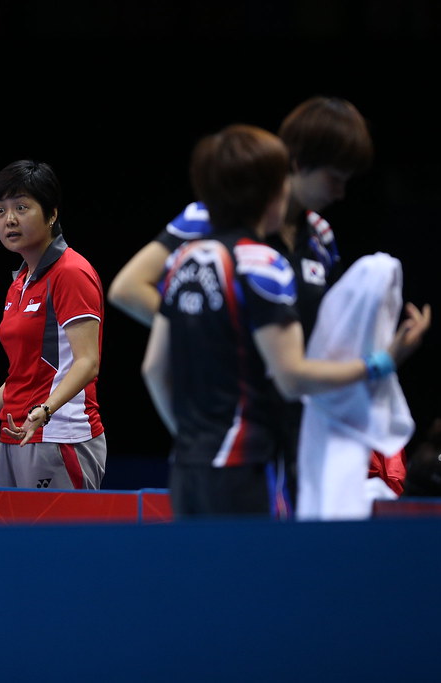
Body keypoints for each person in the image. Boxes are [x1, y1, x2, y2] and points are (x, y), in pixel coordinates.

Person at [109, 96, 396, 503]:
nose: (342, 192)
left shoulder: (322, 237)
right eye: (335, 178)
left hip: (304, 418)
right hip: (238, 419)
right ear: (297, 164)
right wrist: (214, 335)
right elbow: (128, 288)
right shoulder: (211, 217)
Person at [0, 160, 106, 490]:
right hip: (14, 434)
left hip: (59, 435)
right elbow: (25, 374)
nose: (9, 219)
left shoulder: (71, 273)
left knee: (58, 543)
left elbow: (87, 363)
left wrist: (45, 410)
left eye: (21, 207)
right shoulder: (20, 283)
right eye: (0, 210)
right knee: (14, 543)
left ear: (52, 214)